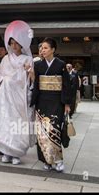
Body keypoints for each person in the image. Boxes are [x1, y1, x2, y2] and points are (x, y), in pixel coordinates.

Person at [0, 21, 35, 165]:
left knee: (18, 122)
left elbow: (31, 79)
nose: (14, 46)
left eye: (16, 42)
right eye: (11, 43)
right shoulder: (6, 59)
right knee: (6, 121)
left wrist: (28, 72)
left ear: (22, 43)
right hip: (6, 96)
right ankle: (6, 152)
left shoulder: (28, 59)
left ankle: (16, 153)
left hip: (20, 96)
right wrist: (5, 80)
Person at [31, 37, 71, 173]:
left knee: (54, 131)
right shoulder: (38, 66)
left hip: (56, 102)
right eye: (41, 48)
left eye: (46, 48)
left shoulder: (61, 65)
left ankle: (58, 160)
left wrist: (66, 103)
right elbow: (35, 85)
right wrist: (33, 102)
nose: (43, 50)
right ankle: (46, 161)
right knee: (42, 133)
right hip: (42, 102)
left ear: (53, 50)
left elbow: (66, 85)